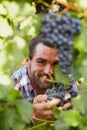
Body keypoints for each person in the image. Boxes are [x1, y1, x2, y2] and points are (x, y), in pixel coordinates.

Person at [11, 35, 71, 122]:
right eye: (41, 62)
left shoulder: (66, 81)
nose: (48, 71)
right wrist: (32, 117)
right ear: (27, 62)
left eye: (56, 64)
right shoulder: (12, 86)